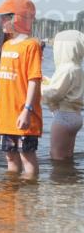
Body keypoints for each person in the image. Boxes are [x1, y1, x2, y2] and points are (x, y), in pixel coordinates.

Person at [0, 0, 42, 178]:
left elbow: (34, 79)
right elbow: (3, 82)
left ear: (17, 18)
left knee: (27, 156)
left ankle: (29, 197)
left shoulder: (31, 45)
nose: (1, 20)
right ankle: (10, 196)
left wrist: (27, 109)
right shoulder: (7, 45)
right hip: (6, 115)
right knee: (10, 158)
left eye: (5, 16)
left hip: (24, 114)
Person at [42, 29, 84, 163]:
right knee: (67, 155)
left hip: (63, 117)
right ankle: (70, 179)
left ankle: (59, 182)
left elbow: (54, 94)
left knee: (56, 156)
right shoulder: (77, 68)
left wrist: (39, 87)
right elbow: (66, 90)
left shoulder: (66, 69)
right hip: (75, 116)